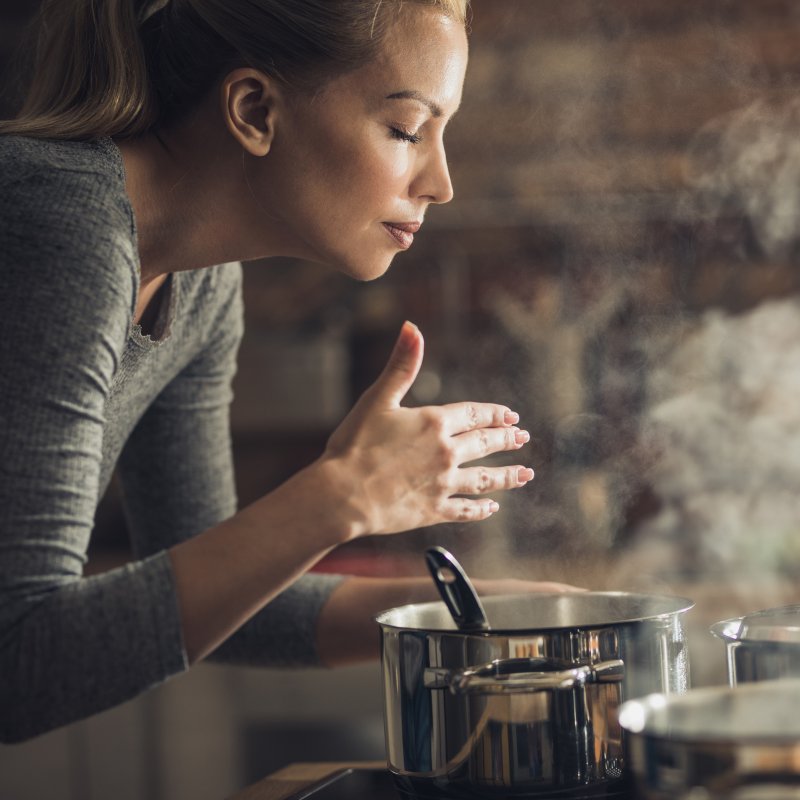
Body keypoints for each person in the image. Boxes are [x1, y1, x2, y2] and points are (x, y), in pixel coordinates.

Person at [0, 0, 568, 745]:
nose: (441, 182)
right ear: (254, 110)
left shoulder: (200, 285)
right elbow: (20, 665)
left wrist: (508, 616)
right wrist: (342, 496)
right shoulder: (60, 227)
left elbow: (225, 597)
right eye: (405, 129)